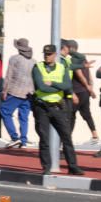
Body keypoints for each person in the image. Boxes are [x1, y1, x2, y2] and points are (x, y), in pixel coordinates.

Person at [31, 44, 84, 176]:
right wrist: (58, 87)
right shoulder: (38, 67)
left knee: (66, 137)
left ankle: (73, 166)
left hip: (58, 107)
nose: (46, 56)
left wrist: (53, 83)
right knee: (44, 138)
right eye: (45, 54)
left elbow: (67, 85)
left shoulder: (61, 67)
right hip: (42, 106)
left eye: (49, 54)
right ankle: (46, 167)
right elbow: (41, 87)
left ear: (55, 55)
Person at [0, 38, 35, 148]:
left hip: (15, 91)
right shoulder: (34, 61)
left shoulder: (14, 59)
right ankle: (23, 140)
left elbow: (9, 75)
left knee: (5, 112)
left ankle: (14, 137)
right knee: (24, 117)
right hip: (29, 93)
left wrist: (5, 90)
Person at [63, 39, 98, 144]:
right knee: (86, 113)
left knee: (71, 116)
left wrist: (88, 87)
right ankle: (94, 135)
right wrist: (90, 87)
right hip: (84, 91)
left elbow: (79, 73)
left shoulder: (73, 59)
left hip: (78, 91)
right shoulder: (83, 58)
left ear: (71, 48)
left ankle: (67, 140)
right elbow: (89, 73)